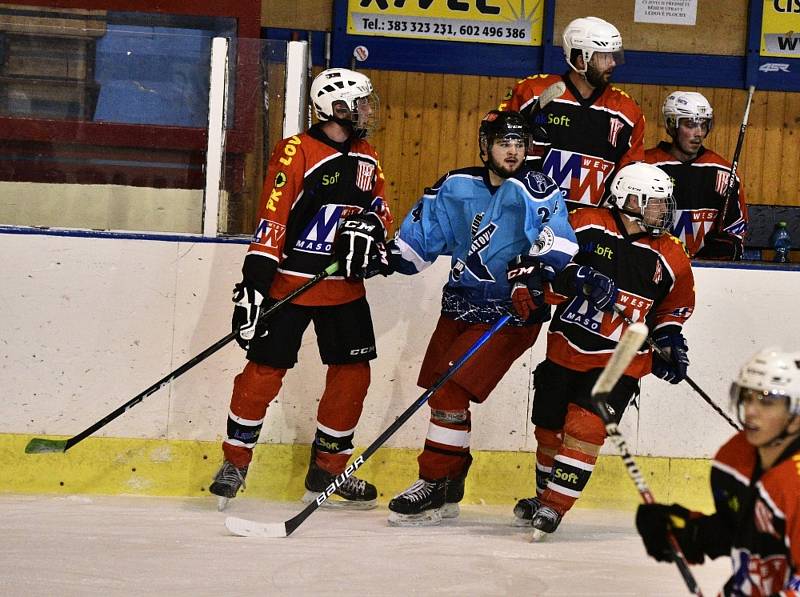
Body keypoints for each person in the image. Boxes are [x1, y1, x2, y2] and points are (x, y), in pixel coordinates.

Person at [383, 110, 582, 526]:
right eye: (503, 143)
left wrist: (538, 270)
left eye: (519, 144)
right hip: (458, 304)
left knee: (449, 387)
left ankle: (435, 480)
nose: (512, 151)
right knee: (442, 393)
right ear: (485, 146)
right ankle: (450, 480)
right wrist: (381, 257)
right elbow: (417, 246)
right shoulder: (454, 186)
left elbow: (559, 239)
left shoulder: (535, 187)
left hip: (511, 312)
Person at [209, 68, 393, 510]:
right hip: (290, 283)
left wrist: (373, 228)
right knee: (264, 372)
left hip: (344, 289)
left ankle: (329, 469)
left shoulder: (368, 155)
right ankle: (235, 461)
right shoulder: (297, 151)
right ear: (336, 107)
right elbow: (273, 218)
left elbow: (382, 211)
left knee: (353, 375)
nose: (369, 110)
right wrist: (253, 285)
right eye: (361, 102)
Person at [513, 162, 696, 539]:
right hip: (566, 348)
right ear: (628, 199)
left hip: (621, 361)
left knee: (586, 426)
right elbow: (540, 265)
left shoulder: (671, 255)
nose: (663, 210)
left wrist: (669, 340)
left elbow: (673, 308)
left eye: (664, 203)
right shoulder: (585, 223)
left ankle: (554, 506)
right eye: (655, 203)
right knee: (548, 428)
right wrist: (572, 277)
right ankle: (543, 494)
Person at [636, 348, 800, 596]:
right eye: (748, 396)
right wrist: (690, 530)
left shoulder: (794, 486)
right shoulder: (734, 457)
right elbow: (743, 530)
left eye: (767, 401)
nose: (752, 410)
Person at [499, 16, 645, 208]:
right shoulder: (531, 93)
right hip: (530, 215)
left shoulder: (627, 111)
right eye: (603, 56)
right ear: (580, 60)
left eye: (614, 55)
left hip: (592, 226)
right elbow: (495, 142)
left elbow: (632, 177)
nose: (612, 63)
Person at [645, 91, 748, 260]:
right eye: (690, 124)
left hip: (707, 273)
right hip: (653, 270)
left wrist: (720, 251)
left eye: (704, 124)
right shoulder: (645, 167)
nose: (699, 133)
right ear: (671, 125)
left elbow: (736, 231)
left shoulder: (722, 172)